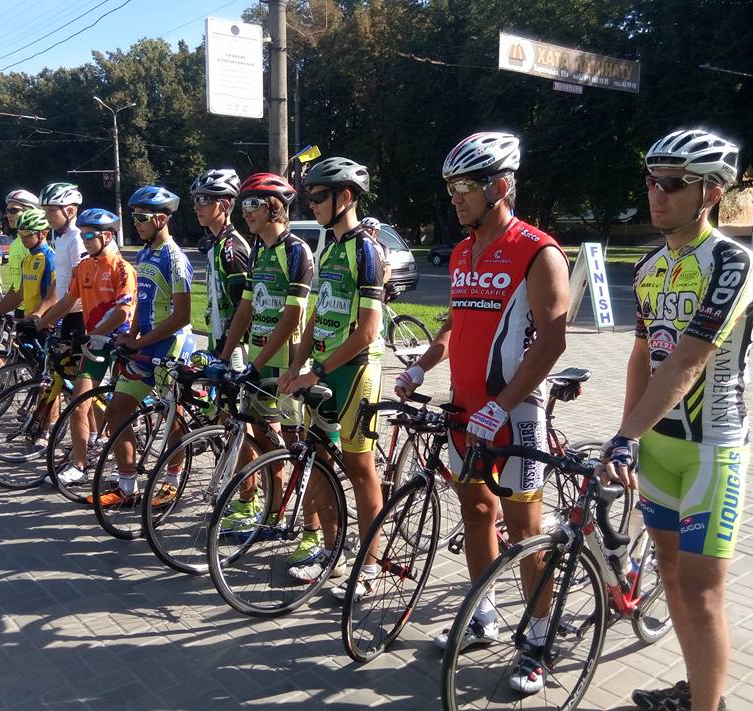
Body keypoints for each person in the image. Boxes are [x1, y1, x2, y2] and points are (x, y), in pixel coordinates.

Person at [395, 132, 569, 693]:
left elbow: (552, 342)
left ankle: (538, 640)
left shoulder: (538, 251)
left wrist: (505, 404)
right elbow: (454, 322)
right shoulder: (463, 253)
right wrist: (421, 366)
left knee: (523, 530)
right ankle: (484, 616)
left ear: (499, 185)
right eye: (450, 188)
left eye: (464, 186)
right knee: (474, 511)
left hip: (516, 414)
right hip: (466, 410)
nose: (455, 198)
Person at [601, 130, 753, 711]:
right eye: (652, 181)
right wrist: (628, 438)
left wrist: (625, 435)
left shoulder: (732, 263)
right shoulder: (648, 265)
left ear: (712, 192)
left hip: (712, 450)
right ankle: (698, 692)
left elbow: (689, 361)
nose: (656, 194)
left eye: (673, 183)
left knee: (702, 594)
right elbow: (643, 357)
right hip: (658, 449)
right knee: (669, 576)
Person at [278, 157, 387, 591]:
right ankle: (331, 551)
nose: (313, 204)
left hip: (356, 370)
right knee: (319, 460)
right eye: (310, 197)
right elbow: (318, 316)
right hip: (323, 369)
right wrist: (295, 366)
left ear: (346, 197)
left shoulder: (367, 250)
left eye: (320, 196)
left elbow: (367, 332)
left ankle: (371, 566)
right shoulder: (330, 247)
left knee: (360, 468)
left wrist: (317, 371)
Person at [216, 173, 320, 555]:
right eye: (244, 204)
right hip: (260, 362)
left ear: (275, 207)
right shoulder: (260, 250)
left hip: (286, 364)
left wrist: (256, 363)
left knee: (296, 448)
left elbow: (292, 317)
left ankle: (312, 529)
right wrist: (225, 355)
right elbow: (245, 308)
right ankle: (273, 515)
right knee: (264, 440)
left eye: (253, 204)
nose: (246, 212)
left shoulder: (296, 251)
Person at [95, 186, 194, 506]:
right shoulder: (145, 253)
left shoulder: (175, 258)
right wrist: (131, 334)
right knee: (116, 411)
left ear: (161, 219)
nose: (135, 223)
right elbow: (142, 301)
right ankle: (128, 487)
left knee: (172, 419)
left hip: (171, 346)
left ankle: (172, 481)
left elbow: (183, 316)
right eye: (133, 216)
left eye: (140, 217)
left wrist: (140, 341)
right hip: (146, 344)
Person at [36, 208, 137, 488]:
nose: (84, 240)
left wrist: (94, 333)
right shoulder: (84, 267)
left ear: (107, 236)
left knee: (119, 411)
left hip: (119, 346)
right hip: (95, 345)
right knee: (79, 404)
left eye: (89, 235)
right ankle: (79, 466)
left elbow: (123, 312)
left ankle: (123, 466)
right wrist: (40, 323)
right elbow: (67, 302)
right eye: (82, 235)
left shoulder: (122, 269)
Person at [190, 168, 250, 368]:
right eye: (196, 200)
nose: (196, 207)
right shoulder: (217, 244)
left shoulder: (232, 248)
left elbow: (243, 307)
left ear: (224, 205)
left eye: (204, 200)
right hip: (218, 342)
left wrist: (221, 351)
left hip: (232, 349)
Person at [0, 208, 56, 324]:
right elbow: (19, 295)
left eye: (27, 233)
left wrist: (37, 319)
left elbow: (53, 298)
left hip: (44, 324)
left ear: (43, 233)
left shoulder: (50, 259)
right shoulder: (27, 260)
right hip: (29, 322)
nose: (22, 237)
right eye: (19, 232)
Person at [39, 182, 86, 344]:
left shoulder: (77, 238)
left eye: (52, 210)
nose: (47, 215)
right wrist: (41, 313)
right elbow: (60, 278)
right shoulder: (61, 236)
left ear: (70, 211)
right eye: (45, 210)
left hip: (80, 315)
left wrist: (45, 321)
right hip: (66, 312)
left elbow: (76, 289)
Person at [0, 189, 40, 317]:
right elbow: (17, 284)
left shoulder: (32, 243)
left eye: (14, 210)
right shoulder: (15, 243)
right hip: (19, 308)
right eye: (7, 211)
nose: (8, 215)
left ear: (31, 211)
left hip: (34, 310)